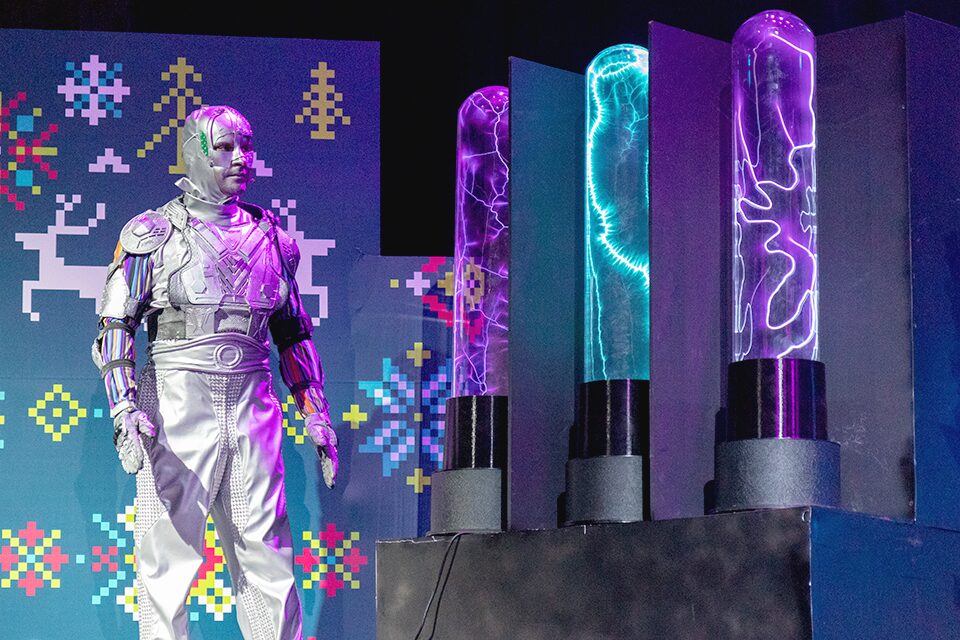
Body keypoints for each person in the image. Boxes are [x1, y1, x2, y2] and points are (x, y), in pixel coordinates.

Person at [92, 105, 338, 640]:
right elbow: (115, 326)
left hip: (253, 402)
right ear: (195, 153)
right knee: (168, 559)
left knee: (268, 555)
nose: (240, 158)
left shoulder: (274, 240)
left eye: (245, 146)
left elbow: (293, 333)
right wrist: (124, 407)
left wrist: (315, 411)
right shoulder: (151, 235)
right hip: (177, 400)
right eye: (225, 147)